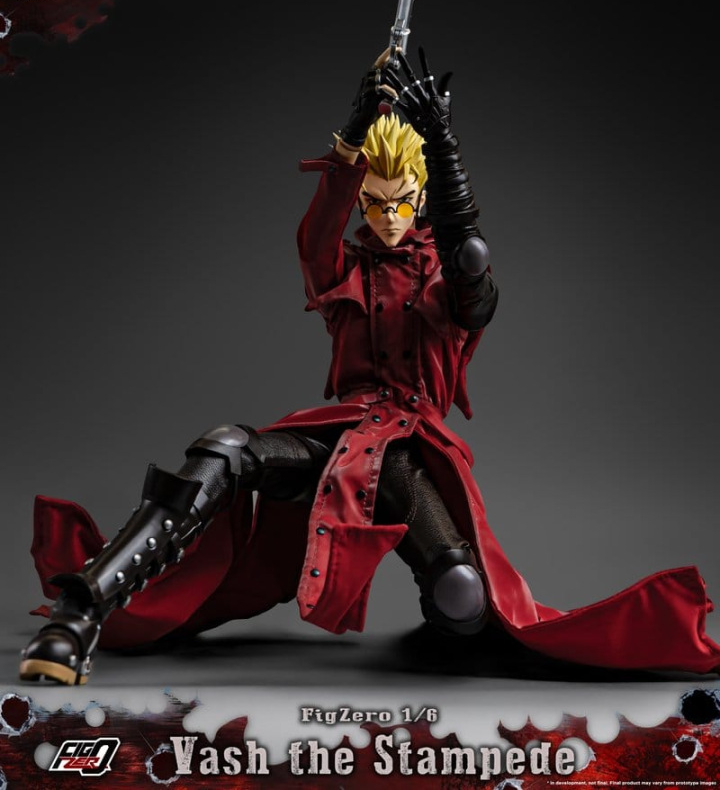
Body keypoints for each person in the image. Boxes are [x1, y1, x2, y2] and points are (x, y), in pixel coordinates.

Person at [20, 49, 720, 685]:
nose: (388, 217)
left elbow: (473, 275)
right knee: (225, 448)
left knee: (463, 596)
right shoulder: (345, 269)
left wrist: (443, 147)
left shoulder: (447, 274)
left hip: (411, 453)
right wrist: (351, 138)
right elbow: (316, 236)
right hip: (333, 439)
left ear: (420, 195)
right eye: (375, 204)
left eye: (401, 202)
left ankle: (445, 634)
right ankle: (80, 613)